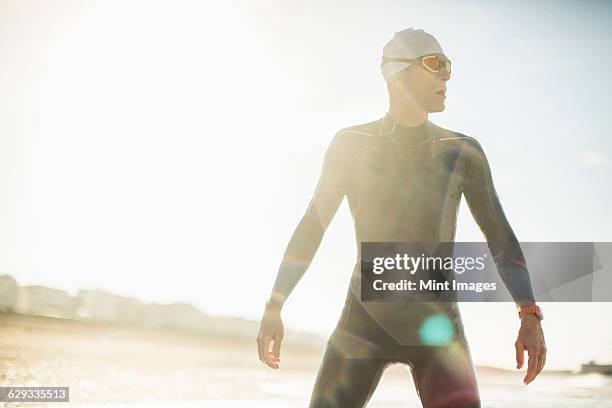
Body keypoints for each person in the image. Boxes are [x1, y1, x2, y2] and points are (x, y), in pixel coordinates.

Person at [256, 28, 546, 408]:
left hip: (438, 330)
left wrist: (529, 313)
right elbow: (314, 224)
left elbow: (500, 237)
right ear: (396, 72)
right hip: (362, 325)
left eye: (448, 65)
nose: (446, 75)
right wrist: (274, 305)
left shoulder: (462, 152)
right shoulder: (352, 145)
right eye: (434, 63)